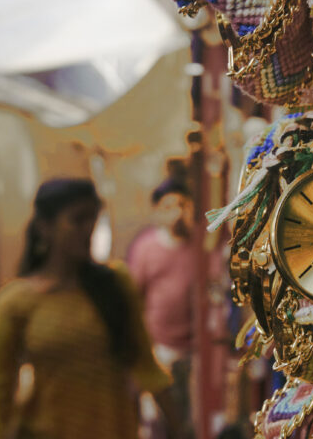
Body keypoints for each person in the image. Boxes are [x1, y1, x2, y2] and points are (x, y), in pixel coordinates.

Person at [0, 178, 181, 439]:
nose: (88, 229)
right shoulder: (15, 302)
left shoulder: (113, 284)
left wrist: (182, 428)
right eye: (77, 220)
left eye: (92, 219)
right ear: (45, 228)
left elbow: (145, 366)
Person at [127, 176, 197, 438]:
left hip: (192, 350)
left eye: (181, 204)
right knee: (156, 420)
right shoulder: (146, 248)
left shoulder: (199, 247)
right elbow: (136, 298)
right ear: (157, 212)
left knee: (186, 417)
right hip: (159, 349)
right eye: (168, 207)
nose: (176, 213)